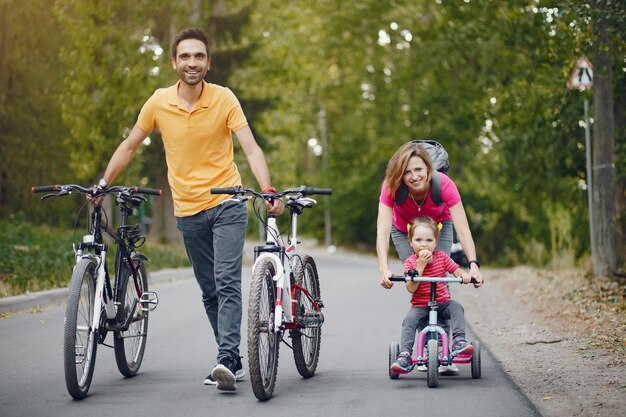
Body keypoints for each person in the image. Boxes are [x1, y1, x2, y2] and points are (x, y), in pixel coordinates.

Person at [92, 28, 283, 392]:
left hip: (227, 202)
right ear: (174, 62)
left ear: (208, 63)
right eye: (185, 57)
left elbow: (251, 148)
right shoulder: (159, 102)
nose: (192, 63)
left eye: (198, 56)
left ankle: (226, 358)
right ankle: (233, 359)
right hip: (188, 210)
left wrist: (267, 188)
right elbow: (130, 145)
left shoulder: (224, 99)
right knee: (209, 288)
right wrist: (103, 183)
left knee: (227, 281)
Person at [377, 141, 483, 373]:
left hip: (439, 226)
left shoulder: (444, 184)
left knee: (440, 280)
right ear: (399, 174)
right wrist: (384, 268)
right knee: (418, 281)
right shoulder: (391, 187)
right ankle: (425, 349)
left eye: (418, 170)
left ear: (428, 168)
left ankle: (446, 351)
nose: (414, 176)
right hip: (405, 229)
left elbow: (463, 229)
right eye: (407, 172)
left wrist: (472, 266)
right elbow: (383, 230)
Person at [389, 216, 482, 374]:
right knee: (409, 319)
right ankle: (405, 354)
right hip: (420, 306)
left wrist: (463, 275)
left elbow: (456, 269)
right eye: (418, 240)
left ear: (436, 242)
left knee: (456, 307)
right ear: (411, 243)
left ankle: (459, 341)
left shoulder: (442, 257)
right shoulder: (410, 262)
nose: (423, 244)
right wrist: (420, 266)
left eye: (428, 240)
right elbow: (411, 288)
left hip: (442, 302)